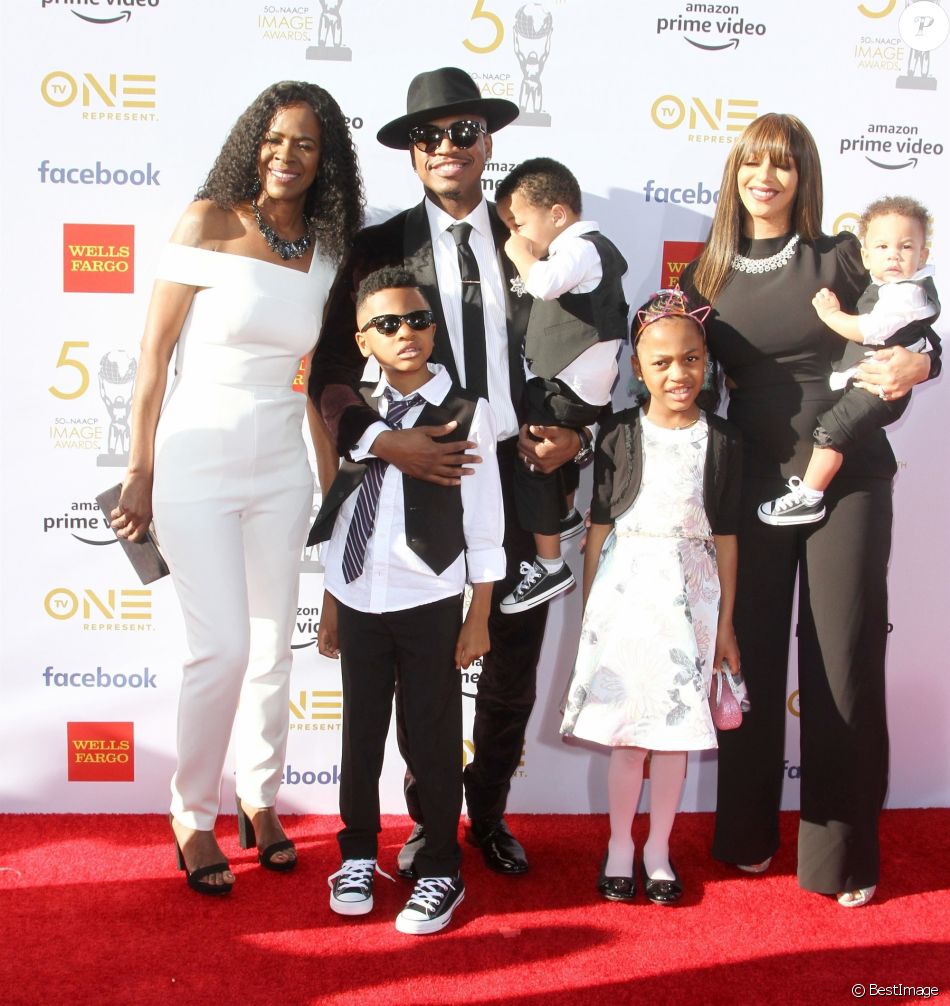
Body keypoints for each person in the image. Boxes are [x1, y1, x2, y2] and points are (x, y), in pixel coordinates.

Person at [309, 67, 587, 876]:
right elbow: (328, 367)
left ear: (488, 142)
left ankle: (486, 813)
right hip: (415, 473)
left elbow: (592, 349)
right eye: (429, 136)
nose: (447, 148)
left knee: (509, 662)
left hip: (524, 469)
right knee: (418, 677)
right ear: (411, 153)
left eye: (463, 132)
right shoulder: (378, 248)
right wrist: (379, 442)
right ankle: (429, 828)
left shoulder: (541, 247)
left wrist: (573, 429)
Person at [680, 113, 941, 907]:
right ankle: (747, 835)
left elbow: (914, 330)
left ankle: (843, 857)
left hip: (848, 479)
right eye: (754, 163)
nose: (767, 178)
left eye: (784, 166)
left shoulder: (846, 256)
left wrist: (924, 363)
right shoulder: (705, 275)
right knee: (749, 661)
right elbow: (672, 371)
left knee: (842, 663)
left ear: (803, 178)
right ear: (735, 173)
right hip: (751, 487)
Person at [111, 81, 364, 895]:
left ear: (328, 162)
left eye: (306, 145)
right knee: (221, 646)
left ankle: (260, 795)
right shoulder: (208, 222)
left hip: (279, 461)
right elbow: (152, 360)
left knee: (269, 649)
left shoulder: (327, 251)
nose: (286, 156)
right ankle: (191, 812)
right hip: (195, 456)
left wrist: (331, 488)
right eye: (275, 138)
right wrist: (140, 470)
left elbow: (318, 382)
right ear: (252, 140)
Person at [313, 267, 504, 934]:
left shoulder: (467, 413)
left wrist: (478, 613)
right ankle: (359, 853)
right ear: (363, 338)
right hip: (360, 596)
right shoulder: (355, 418)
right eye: (388, 324)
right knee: (360, 737)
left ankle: (441, 870)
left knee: (430, 740)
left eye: (418, 320)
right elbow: (340, 512)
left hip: (431, 599)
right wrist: (333, 599)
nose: (407, 334)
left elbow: (484, 525)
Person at [560, 290, 742, 904]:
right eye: (661, 362)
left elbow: (726, 535)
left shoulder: (723, 440)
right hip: (627, 591)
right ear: (638, 369)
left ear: (707, 362)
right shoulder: (618, 434)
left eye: (690, 360)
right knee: (627, 735)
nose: (677, 374)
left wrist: (725, 625)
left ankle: (659, 849)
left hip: (692, 593)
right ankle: (619, 845)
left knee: (673, 733)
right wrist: (593, 608)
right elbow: (599, 528)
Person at [493, 157, 628, 613]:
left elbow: (546, 283)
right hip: (582, 387)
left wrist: (518, 255)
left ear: (557, 214)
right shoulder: (586, 248)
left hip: (567, 384)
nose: (515, 235)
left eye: (519, 223)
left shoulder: (579, 247)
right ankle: (566, 514)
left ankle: (550, 566)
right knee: (553, 451)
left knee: (532, 460)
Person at [759, 195, 939, 525]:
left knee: (831, 431)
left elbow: (867, 329)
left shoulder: (906, 293)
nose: (894, 256)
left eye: (906, 247)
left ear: (923, 255)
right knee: (834, 431)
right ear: (866, 256)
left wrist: (830, 314)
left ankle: (809, 497)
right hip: (863, 389)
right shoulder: (883, 288)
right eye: (883, 247)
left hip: (879, 390)